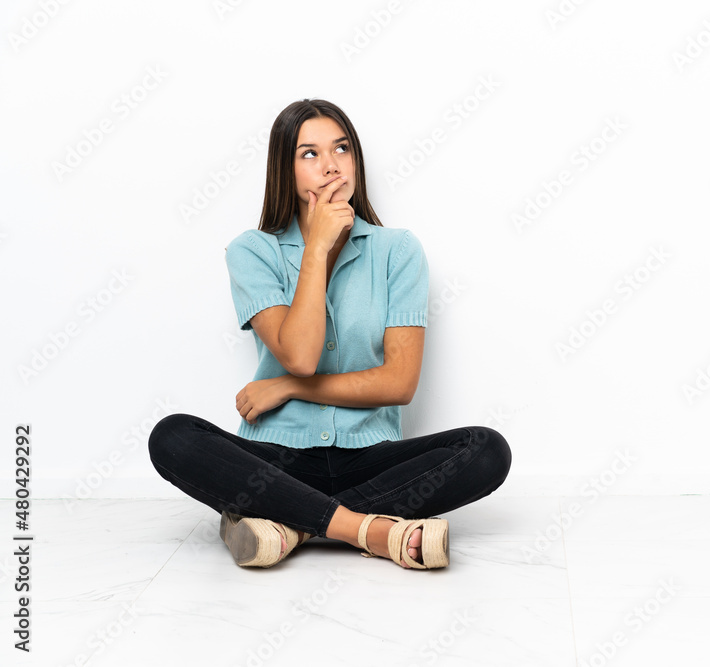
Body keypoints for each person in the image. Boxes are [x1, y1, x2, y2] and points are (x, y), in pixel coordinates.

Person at [147, 99, 511, 570]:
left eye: (341, 148)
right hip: (276, 457)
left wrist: (289, 387)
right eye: (309, 154)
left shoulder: (396, 251)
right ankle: (369, 529)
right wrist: (316, 248)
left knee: (486, 450)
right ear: (285, 168)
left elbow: (398, 384)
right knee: (172, 436)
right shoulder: (252, 251)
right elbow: (300, 354)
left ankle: (287, 523)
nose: (331, 165)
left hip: (369, 455)